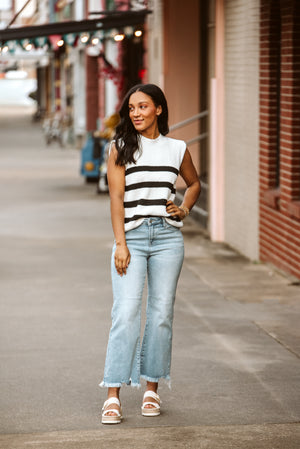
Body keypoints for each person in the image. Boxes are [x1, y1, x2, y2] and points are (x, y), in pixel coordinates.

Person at [100, 83, 201, 424]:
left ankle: (151, 390)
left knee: (160, 315)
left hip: (168, 240)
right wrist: (121, 244)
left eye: (143, 106)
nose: (137, 113)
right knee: (126, 313)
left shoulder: (176, 148)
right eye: (131, 109)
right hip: (132, 238)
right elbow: (115, 200)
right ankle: (113, 392)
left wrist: (184, 208)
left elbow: (194, 183)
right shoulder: (120, 147)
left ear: (159, 108)